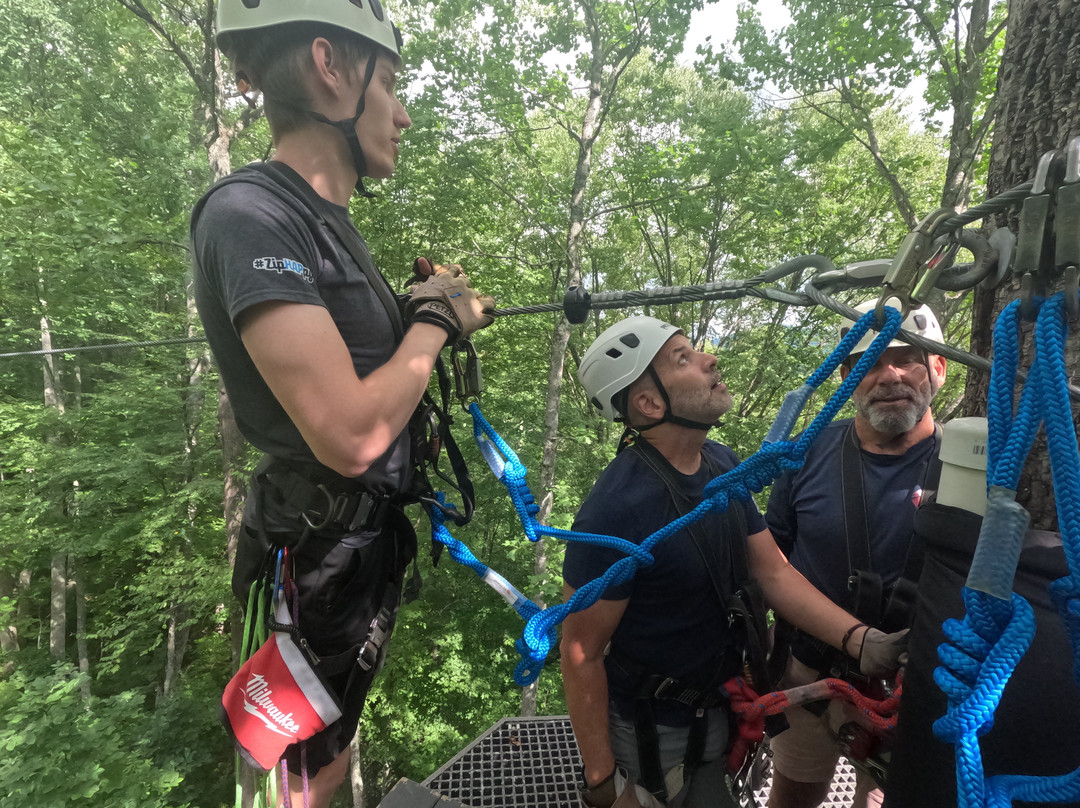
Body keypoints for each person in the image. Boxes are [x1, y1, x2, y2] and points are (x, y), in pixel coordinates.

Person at [191, 3, 494, 806]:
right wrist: (432, 325)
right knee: (307, 766)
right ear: (331, 66)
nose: (404, 112)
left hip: (352, 550)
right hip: (313, 554)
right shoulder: (251, 213)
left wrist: (421, 308)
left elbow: (359, 369)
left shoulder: (325, 223)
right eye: (390, 83)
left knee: (331, 743)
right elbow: (353, 433)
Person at [560, 315, 908, 808]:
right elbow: (581, 652)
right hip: (651, 732)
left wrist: (861, 640)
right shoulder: (619, 508)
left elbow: (773, 572)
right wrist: (603, 784)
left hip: (718, 710)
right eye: (683, 358)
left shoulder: (720, 465)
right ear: (649, 403)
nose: (710, 358)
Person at [763, 301, 947, 808]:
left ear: (939, 368)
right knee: (794, 795)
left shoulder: (969, 468)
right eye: (869, 362)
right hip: (810, 672)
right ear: (846, 377)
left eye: (908, 358)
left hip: (914, 687)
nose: (889, 375)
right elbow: (767, 561)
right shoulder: (804, 454)